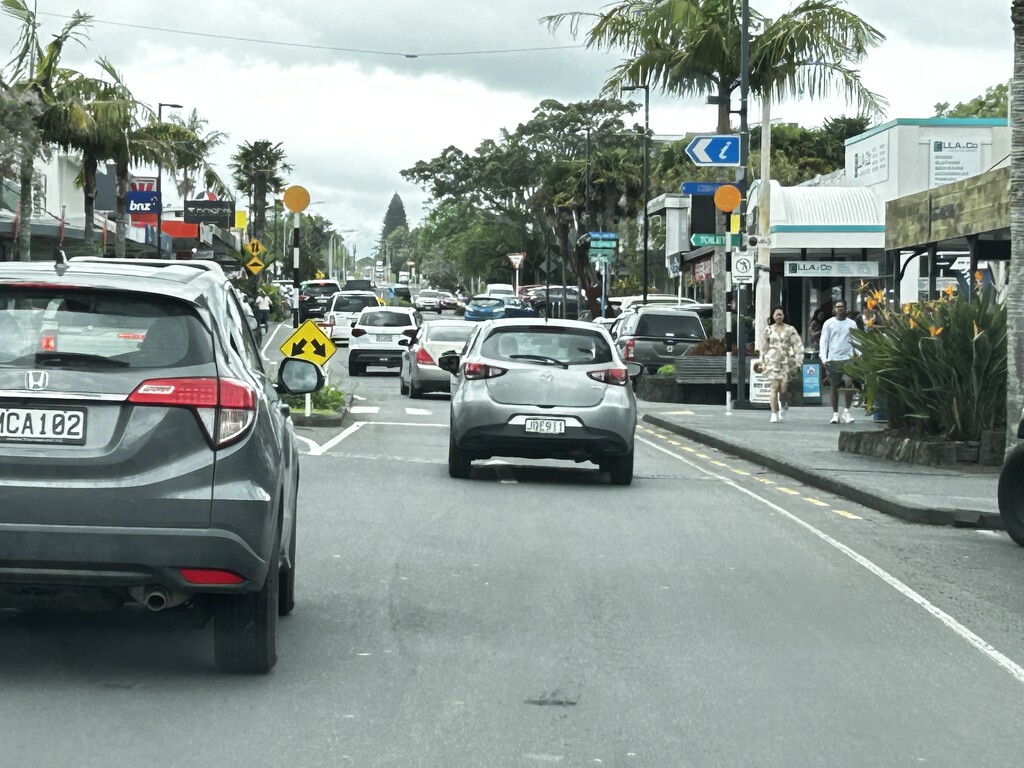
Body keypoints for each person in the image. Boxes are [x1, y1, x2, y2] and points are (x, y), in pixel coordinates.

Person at [755, 306, 803, 424]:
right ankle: (774, 413)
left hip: (786, 361)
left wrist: (799, 360)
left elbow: (797, 345)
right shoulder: (768, 330)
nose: (779, 316)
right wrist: (761, 360)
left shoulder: (790, 329)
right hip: (772, 361)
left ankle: (783, 404)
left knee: (783, 388)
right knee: (774, 387)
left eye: (781, 314)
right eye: (777, 314)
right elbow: (764, 346)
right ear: (773, 316)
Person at [819, 299, 860, 424]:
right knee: (834, 386)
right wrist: (824, 358)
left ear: (846, 309)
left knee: (849, 383)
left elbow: (856, 339)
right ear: (834, 309)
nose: (840, 309)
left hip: (848, 358)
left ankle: (847, 411)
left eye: (842, 307)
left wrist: (859, 353)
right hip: (833, 358)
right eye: (837, 307)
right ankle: (835, 414)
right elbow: (824, 341)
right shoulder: (828, 323)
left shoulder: (852, 324)